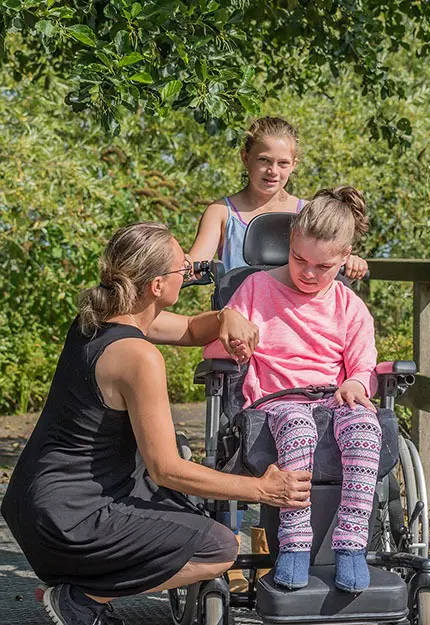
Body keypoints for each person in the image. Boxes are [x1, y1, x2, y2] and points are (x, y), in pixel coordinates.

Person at [0, 222, 312, 625]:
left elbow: (185, 328)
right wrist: (262, 489)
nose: (190, 271)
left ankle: (81, 585)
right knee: (218, 548)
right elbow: (166, 468)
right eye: (182, 269)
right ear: (158, 286)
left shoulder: (98, 318)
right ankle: (82, 599)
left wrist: (226, 316)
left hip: (33, 506)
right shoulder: (139, 357)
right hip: (70, 520)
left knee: (183, 513)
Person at [204, 187, 382, 593]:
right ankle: (295, 543)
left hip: (333, 399)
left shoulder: (349, 305)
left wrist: (356, 380)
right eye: (300, 259)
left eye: (324, 266)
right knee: (299, 427)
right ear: (290, 242)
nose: (308, 273)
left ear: (345, 256)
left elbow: (363, 362)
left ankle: (351, 544)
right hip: (276, 402)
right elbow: (217, 349)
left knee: (366, 430)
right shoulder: (255, 289)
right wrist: (231, 340)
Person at [189, 116, 368, 280]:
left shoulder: (308, 212)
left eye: (282, 163)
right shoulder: (222, 212)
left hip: (294, 311)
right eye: (263, 160)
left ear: (293, 165)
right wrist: (185, 265)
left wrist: (350, 261)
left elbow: (328, 255)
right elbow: (195, 265)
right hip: (238, 309)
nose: (273, 171)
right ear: (245, 157)